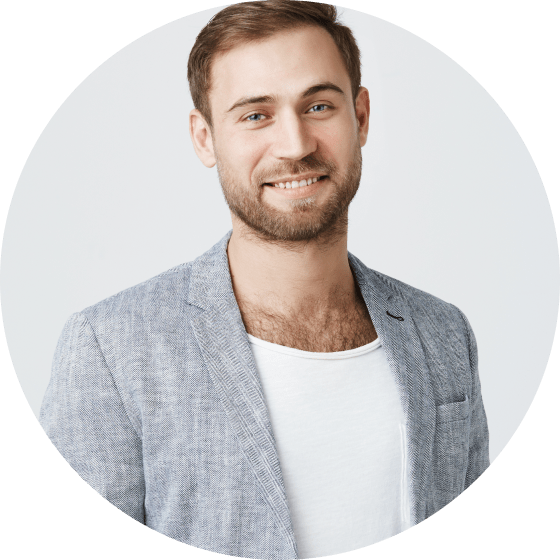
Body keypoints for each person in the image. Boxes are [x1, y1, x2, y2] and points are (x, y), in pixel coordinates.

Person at [40, 2, 490, 559]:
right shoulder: (111, 348)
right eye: (256, 115)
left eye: (319, 106)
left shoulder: (444, 333)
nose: (295, 145)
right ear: (204, 138)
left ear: (361, 116)